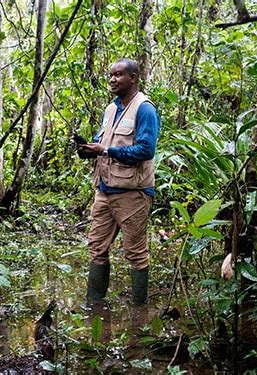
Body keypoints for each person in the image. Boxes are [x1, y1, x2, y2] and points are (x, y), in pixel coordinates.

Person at [77, 58, 160, 305]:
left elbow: (146, 150)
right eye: (110, 75)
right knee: (96, 247)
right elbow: (102, 140)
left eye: (118, 75)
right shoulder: (111, 109)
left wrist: (106, 151)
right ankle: (95, 305)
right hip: (104, 190)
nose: (112, 80)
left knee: (135, 253)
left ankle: (138, 313)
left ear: (133, 78)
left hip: (132, 193)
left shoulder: (145, 109)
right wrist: (88, 149)